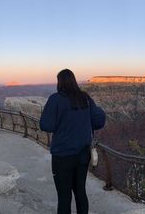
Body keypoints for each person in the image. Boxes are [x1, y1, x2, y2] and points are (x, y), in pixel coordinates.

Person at [39, 69, 106, 214]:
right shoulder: (85, 98)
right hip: (83, 155)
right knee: (80, 192)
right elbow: (99, 121)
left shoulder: (55, 99)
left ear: (60, 82)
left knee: (64, 197)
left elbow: (46, 125)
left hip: (62, 157)